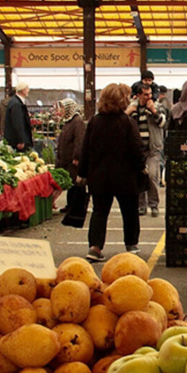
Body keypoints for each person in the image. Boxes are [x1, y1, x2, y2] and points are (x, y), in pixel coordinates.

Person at [78, 83, 146, 262]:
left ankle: (95, 247)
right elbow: (137, 149)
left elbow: (85, 149)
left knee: (99, 212)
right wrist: (141, 167)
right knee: (129, 211)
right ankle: (131, 245)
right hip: (125, 177)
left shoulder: (94, 121)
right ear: (121, 100)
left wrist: (82, 173)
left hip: (99, 176)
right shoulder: (127, 123)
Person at [127, 83, 167, 217]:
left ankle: (154, 204)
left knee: (152, 176)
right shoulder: (132, 108)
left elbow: (163, 124)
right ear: (138, 95)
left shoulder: (157, 106)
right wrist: (128, 113)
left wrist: (154, 112)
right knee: (139, 176)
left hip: (153, 149)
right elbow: (122, 124)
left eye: (150, 94)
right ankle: (141, 205)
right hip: (136, 150)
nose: (149, 97)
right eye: (145, 94)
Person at [56, 98, 85, 213]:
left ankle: (78, 206)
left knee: (76, 184)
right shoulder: (68, 121)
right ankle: (71, 205)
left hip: (73, 161)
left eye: (62, 108)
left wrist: (77, 157)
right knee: (71, 184)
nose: (61, 110)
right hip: (67, 160)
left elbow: (79, 141)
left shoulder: (77, 122)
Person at [4, 83, 33, 152]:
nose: (28, 91)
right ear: (23, 90)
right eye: (27, 89)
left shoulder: (15, 102)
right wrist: (20, 140)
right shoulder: (16, 104)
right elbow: (17, 122)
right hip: (17, 142)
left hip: (15, 140)